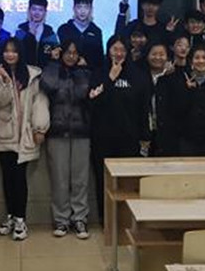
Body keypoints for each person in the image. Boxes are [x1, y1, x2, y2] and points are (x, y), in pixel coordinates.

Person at [0, 38, 50, 241]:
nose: (10, 55)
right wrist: (6, 81)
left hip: (25, 134)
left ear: (20, 53)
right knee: (7, 177)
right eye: (6, 51)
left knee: (19, 178)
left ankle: (21, 219)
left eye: (14, 51)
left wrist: (40, 127)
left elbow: (40, 102)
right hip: (4, 132)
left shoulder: (32, 74)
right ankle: (10, 216)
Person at [89, 35, 149, 218]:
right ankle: (106, 220)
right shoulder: (98, 73)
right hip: (102, 138)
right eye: (115, 49)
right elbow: (93, 104)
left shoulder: (138, 75)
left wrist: (145, 137)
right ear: (108, 51)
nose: (119, 53)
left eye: (122, 50)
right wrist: (110, 78)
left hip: (129, 139)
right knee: (103, 181)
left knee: (128, 182)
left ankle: (126, 219)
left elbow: (143, 109)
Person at [40, 39, 92, 239]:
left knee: (80, 179)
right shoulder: (52, 70)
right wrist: (54, 63)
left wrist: (80, 71)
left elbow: (81, 93)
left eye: (75, 53)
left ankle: (80, 218)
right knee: (59, 178)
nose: (71, 56)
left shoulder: (85, 73)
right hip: (57, 131)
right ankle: (61, 220)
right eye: (68, 52)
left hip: (81, 131)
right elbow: (48, 85)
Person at [57, 0, 104, 69]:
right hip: (65, 72)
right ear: (74, 9)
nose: (82, 11)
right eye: (79, 7)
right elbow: (60, 54)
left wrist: (88, 63)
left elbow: (100, 58)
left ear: (91, 9)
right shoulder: (64, 29)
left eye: (86, 7)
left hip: (90, 73)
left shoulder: (96, 31)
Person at [142, 42, 172, 156]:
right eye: (154, 54)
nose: (158, 57)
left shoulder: (172, 76)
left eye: (161, 54)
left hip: (166, 131)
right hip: (145, 131)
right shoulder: (140, 76)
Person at [15, 0, 59, 68]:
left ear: (45, 12)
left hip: (45, 72)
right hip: (24, 70)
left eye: (40, 10)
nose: (37, 13)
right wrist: (30, 35)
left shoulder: (49, 32)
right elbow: (17, 52)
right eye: (34, 9)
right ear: (29, 10)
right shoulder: (20, 30)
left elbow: (54, 54)